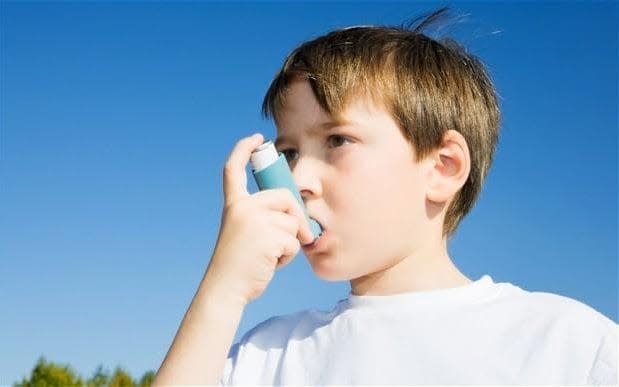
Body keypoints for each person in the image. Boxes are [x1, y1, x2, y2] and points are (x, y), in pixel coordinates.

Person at [153, 7, 618, 386]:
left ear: (443, 167)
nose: (300, 179)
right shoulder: (269, 353)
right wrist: (223, 292)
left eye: (337, 141)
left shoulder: (567, 344)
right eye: (289, 153)